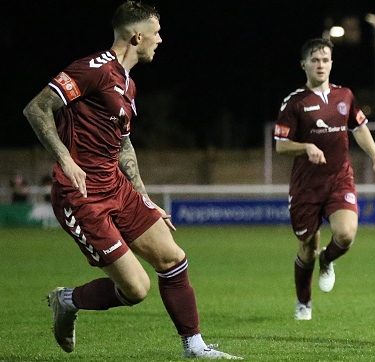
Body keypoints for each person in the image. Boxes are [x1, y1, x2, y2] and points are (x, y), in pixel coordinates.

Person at [22, 2, 240, 359]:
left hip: (117, 188)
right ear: (137, 36)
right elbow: (36, 108)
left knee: (173, 257)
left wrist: (144, 196)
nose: (159, 39)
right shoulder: (92, 69)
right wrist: (65, 158)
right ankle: (67, 300)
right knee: (136, 290)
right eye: (155, 32)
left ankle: (194, 347)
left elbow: (123, 143)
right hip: (82, 196)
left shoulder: (128, 85)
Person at [274, 38, 375, 321]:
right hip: (306, 187)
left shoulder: (345, 96)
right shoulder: (294, 102)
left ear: (332, 63)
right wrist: (306, 147)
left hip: (340, 179)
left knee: (346, 234)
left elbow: (359, 129)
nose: (321, 65)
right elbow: (280, 144)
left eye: (325, 60)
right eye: (315, 60)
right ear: (304, 65)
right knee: (307, 248)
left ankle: (328, 259)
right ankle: (304, 302)